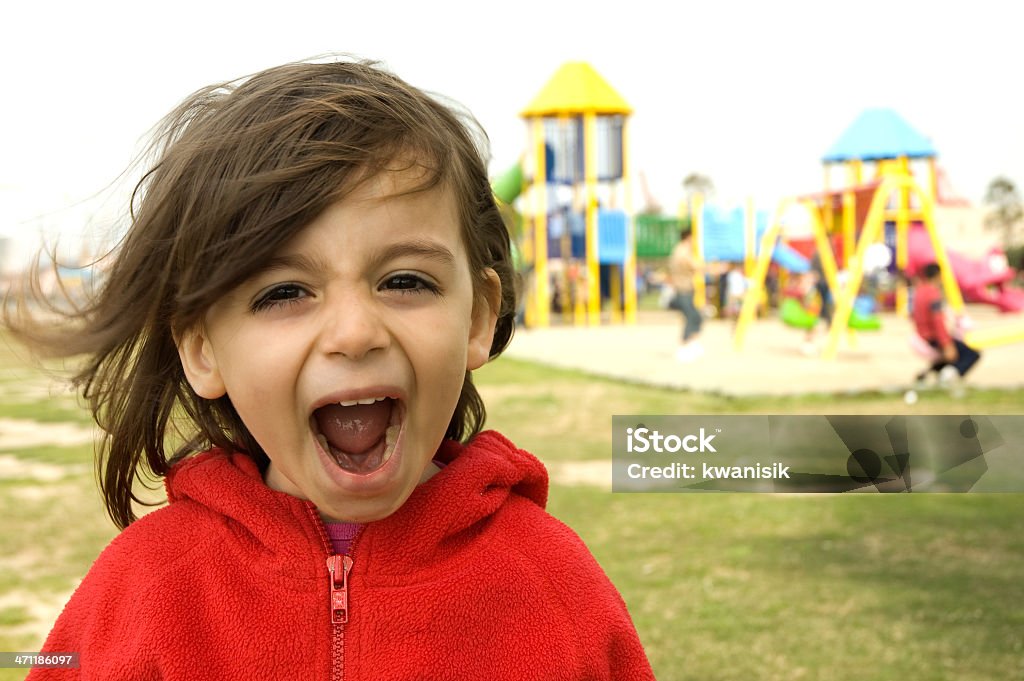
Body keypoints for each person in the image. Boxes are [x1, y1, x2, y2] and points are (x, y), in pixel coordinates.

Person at [7, 59, 654, 680]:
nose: (354, 332)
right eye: (284, 292)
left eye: (404, 280)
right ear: (203, 347)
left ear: (479, 317)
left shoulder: (553, 583)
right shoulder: (147, 587)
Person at [912, 262, 981, 390]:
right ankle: (947, 379)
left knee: (947, 358)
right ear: (938, 276)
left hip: (923, 335)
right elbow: (937, 320)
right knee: (971, 355)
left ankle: (925, 376)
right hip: (935, 336)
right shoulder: (933, 294)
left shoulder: (919, 292)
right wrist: (946, 343)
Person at [668, 229, 704, 361]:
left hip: (686, 287)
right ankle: (683, 346)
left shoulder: (682, 250)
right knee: (691, 316)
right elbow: (693, 265)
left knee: (696, 316)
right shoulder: (682, 251)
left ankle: (692, 342)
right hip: (682, 288)